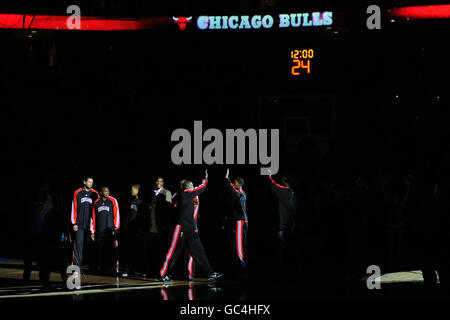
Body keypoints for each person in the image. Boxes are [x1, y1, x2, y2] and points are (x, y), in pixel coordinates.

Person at [159, 170, 222, 281]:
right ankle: (163, 274)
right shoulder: (186, 194)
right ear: (188, 187)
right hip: (181, 227)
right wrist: (205, 178)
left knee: (199, 251)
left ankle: (210, 273)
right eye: (192, 186)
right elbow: (202, 187)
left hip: (191, 228)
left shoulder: (187, 195)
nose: (193, 187)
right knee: (173, 250)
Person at [267, 170, 297, 267]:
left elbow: (273, 186)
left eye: (283, 180)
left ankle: (282, 270)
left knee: (281, 250)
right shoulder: (293, 194)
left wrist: (269, 175)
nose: (281, 181)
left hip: (283, 227)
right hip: (290, 226)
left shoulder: (285, 192)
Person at [70, 176, 99, 271]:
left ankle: (93, 266)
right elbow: (73, 208)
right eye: (89, 182)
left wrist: (95, 226)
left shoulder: (95, 193)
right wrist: (74, 223)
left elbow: (96, 210)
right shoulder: (77, 193)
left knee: (91, 245)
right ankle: (76, 267)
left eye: (92, 182)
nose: (91, 184)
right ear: (84, 182)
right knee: (78, 244)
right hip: (79, 224)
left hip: (90, 225)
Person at [90, 186, 120, 275]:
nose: (107, 193)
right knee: (100, 251)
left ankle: (111, 268)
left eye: (108, 191)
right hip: (99, 231)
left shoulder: (112, 201)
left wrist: (116, 227)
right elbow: (93, 218)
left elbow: (116, 214)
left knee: (110, 250)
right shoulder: (96, 203)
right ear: (101, 192)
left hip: (110, 231)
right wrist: (92, 231)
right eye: (105, 191)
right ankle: (101, 269)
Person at [225, 169, 248, 277]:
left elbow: (232, 190)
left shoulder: (241, 193)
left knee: (238, 247)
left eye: (234, 183)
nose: (233, 185)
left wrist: (227, 179)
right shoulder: (239, 194)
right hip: (238, 221)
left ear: (238, 184)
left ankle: (242, 269)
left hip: (240, 222)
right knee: (237, 245)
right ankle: (239, 268)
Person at [148, 177, 173, 276]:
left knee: (163, 249)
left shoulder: (166, 193)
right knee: (155, 250)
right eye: (157, 181)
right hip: (153, 226)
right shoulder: (153, 193)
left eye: (160, 181)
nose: (158, 182)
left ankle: (165, 271)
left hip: (162, 226)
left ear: (163, 183)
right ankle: (155, 270)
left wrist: (165, 225)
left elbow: (168, 210)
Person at [125, 184, 144, 275]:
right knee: (129, 249)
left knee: (138, 249)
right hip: (130, 229)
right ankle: (130, 269)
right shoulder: (130, 201)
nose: (131, 191)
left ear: (137, 190)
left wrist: (140, 229)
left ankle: (139, 269)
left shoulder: (141, 202)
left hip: (138, 229)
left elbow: (142, 216)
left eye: (133, 189)